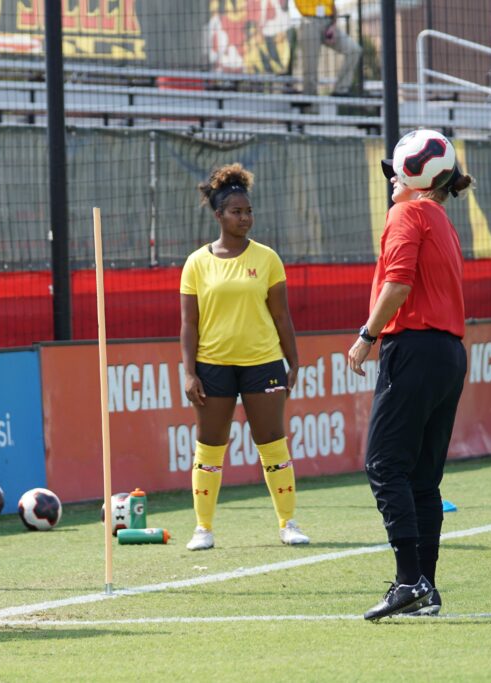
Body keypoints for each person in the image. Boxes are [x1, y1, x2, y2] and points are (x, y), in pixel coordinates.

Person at [349, 131, 474, 621]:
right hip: (448, 352)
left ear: (413, 179)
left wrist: (366, 335)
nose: (391, 183)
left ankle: (409, 580)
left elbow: (398, 283)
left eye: (395, 174)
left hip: (415, 348)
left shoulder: (407, 214)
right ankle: (428, 588)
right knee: (424, 478)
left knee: (384, 465)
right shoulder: (441, 219)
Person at [180, 163, 310, 552]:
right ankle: (203, 529)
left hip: (263, 363)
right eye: (236, 212)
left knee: (272, 442)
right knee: (210, 445)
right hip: (213, 366)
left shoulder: (268, 258)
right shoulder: (196, 262)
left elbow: (281, 316)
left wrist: (294, 360)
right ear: (218, 215)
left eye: (248, 211)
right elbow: (189, 325)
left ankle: (288, 523)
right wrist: (190, 373)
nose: (245, 218)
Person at [293, 0, 361, 96]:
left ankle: (340, 89)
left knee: (354, 50)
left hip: (328, 22)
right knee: (310, 64)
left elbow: (333, 6)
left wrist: (333, 26)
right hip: (309, 22)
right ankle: (310, 94)